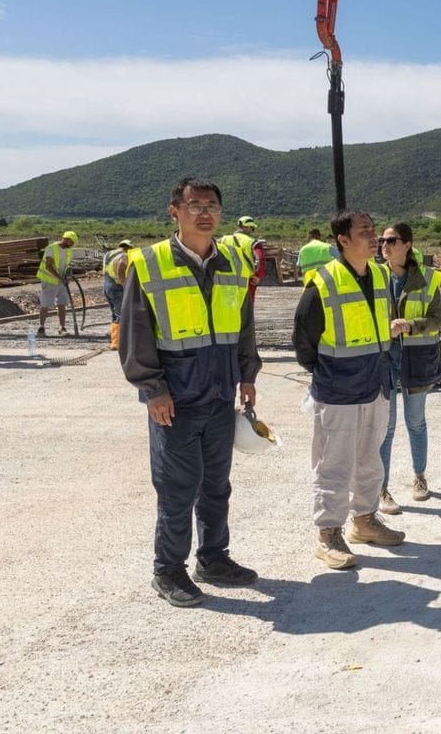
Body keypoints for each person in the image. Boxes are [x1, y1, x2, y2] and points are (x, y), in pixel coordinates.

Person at [119, 177, 262, 607]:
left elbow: (243, 327)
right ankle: (168, 571)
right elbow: (135, 333)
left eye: (212, 205)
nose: (205, 213)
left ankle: (213, 558)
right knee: (178, 489)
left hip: (220, 393)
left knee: (216, 484)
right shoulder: (149, 263)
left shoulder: (232, 263)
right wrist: (153, 389)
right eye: (195, 205)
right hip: (175, 400)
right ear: (175, 212)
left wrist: (248, 375)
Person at [293, 208, 407, 571]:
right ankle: (328, 535)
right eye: (364, 232)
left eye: (374, 230)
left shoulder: (379, 274)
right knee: (334, 465)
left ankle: (365, 521)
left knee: (370, 461)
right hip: (338, 390)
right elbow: (304, 341)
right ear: (342, 240)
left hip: (375, 385)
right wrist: (329, 373)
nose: (374, 237)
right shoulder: (323, 282)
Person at [377, 222, 441, 515]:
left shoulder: (428, 278)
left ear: (407, 244)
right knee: (386, 427)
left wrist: (410, 326)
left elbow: (436, 319)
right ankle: (382, 488)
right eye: (382, 240)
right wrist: (386, 328)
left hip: (416, 359)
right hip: (384, 360)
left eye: (391, 240)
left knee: (415, 422)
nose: (385, 245)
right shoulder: (374, 276)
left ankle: (419, 477)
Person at [36, 230, 77, 336]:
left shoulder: (68, 250)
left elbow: (66, 264)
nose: (72, 245)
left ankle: (62, 327)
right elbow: (48, 266)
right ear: (66, 239)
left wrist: (68, 272)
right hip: (49, 281)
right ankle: (41, 328)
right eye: (71, 242)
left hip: (62, 281)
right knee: (45, 305)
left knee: (62, 304)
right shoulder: (51, 248)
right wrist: (60, 277)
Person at [221, 216, 266, 302]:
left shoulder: (224, 239)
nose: (252, 230)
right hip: (247, 280)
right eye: (252, 228)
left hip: (227, 279)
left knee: (229, 304)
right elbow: (260, 259)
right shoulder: (252, 242)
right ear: (247, 227)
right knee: (246, 306)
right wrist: (258, 275)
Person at [102, 240, 135, 350]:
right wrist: (126, 287)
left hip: (107, 286)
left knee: (115, 314)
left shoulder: (109, 254)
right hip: (117, 288)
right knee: (121, 314)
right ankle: (116, 342)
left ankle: (114, 337)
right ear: (128, 247)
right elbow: (120, 272)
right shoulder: (124, 256)